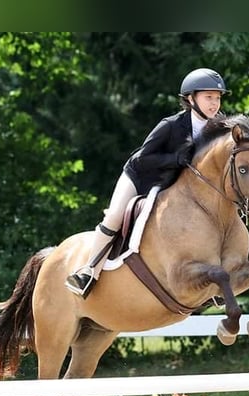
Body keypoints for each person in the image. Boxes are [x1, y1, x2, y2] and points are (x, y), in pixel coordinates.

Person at [65, 67, 229, 298]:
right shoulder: (171, 125)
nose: (215, 104)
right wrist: (174, 159)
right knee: (114, 215)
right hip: (140, 176)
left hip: (173, 186)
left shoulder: (219, 129)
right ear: (191, 99)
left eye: (218, 98)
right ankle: (89, 271)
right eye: (209, 97)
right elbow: (142, 158)